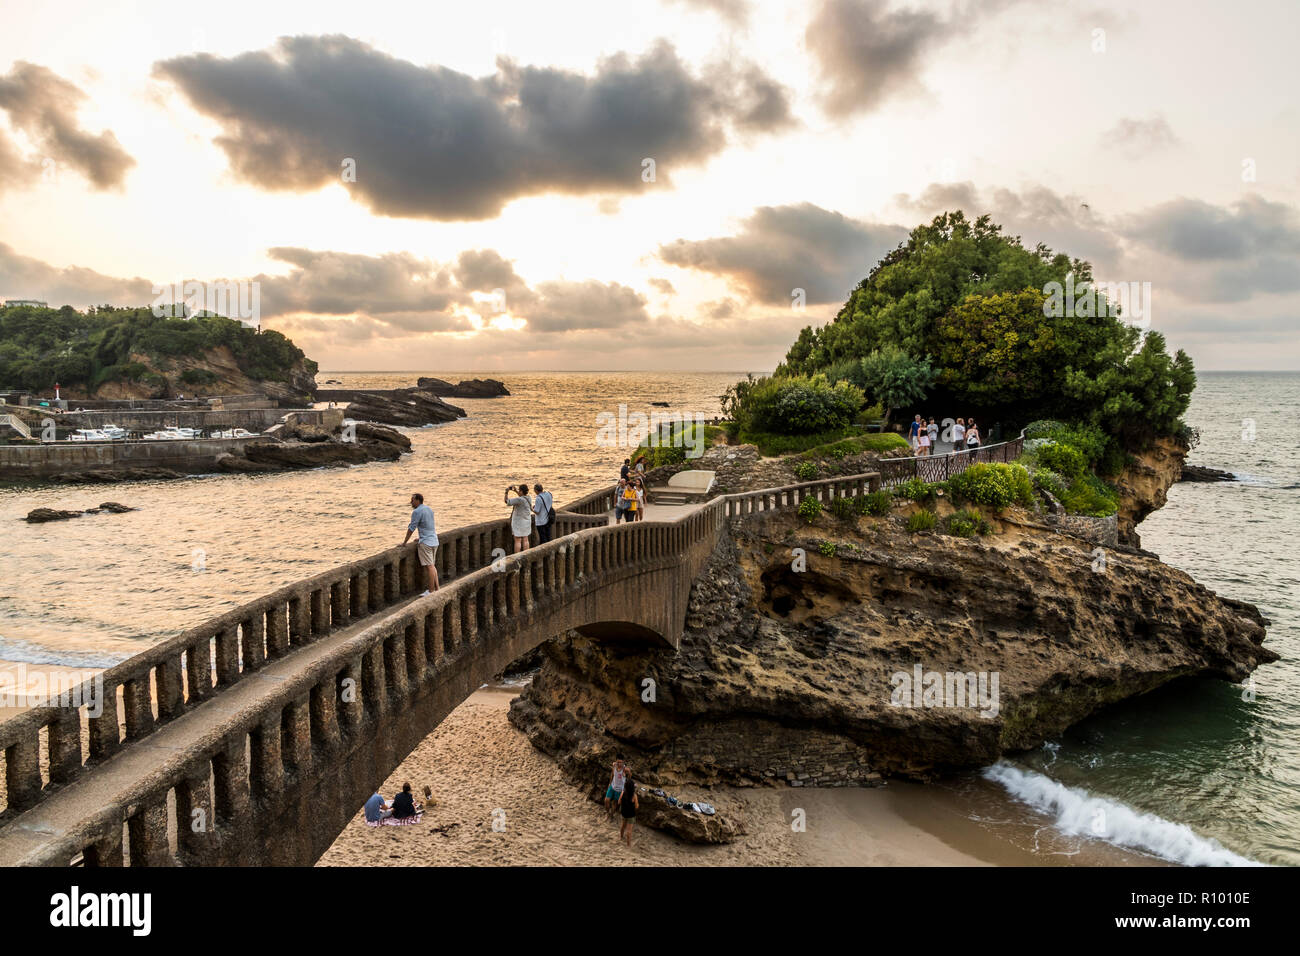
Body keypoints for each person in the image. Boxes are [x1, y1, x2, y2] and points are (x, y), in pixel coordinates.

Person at [403, 493, 440, 595]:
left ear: (418, 500)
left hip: (426, 543)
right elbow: (429, 525)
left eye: (412, 500)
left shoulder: (416, 511)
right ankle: (437, 589)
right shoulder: (429, 509)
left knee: (430, 567)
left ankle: (431, 591)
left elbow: (411, 528)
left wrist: (404, 543)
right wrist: (421, 536)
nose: (411, 502)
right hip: (434, 541)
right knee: (432, 566)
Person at [505, 483, 533, 552]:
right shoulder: (529, 498)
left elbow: (507, 501)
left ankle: (517, 557)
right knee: (526, 539)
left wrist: (506, 492)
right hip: (527, 522)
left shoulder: (519, 500)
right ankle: (526, 554)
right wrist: (516, 491)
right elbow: (522, 497)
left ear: (521, 491)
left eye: (519, 490)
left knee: (518, 540)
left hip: (518, 523)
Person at [605, 756, 628, 820]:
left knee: (614, 804)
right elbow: (612, 774)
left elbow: (630, 775)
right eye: (618, 762)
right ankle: (607, 813)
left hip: (619, 790)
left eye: (621, 762)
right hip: (612, 786)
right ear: (616, 761)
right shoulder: (614, 766)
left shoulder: (625, 769)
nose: (619, 764)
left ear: (623, 762)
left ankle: (611, 815)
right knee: (606, 800)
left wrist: (626, 782)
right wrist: (609, 783)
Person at [618, 775, 639, 846]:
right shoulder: (634, 795)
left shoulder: (623, 793)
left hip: (624, 812)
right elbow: (636, 806)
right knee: (629, 830)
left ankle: (621, 837)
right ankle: (628, 844)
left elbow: (619, 802)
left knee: (623, 826)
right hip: (631, 814)